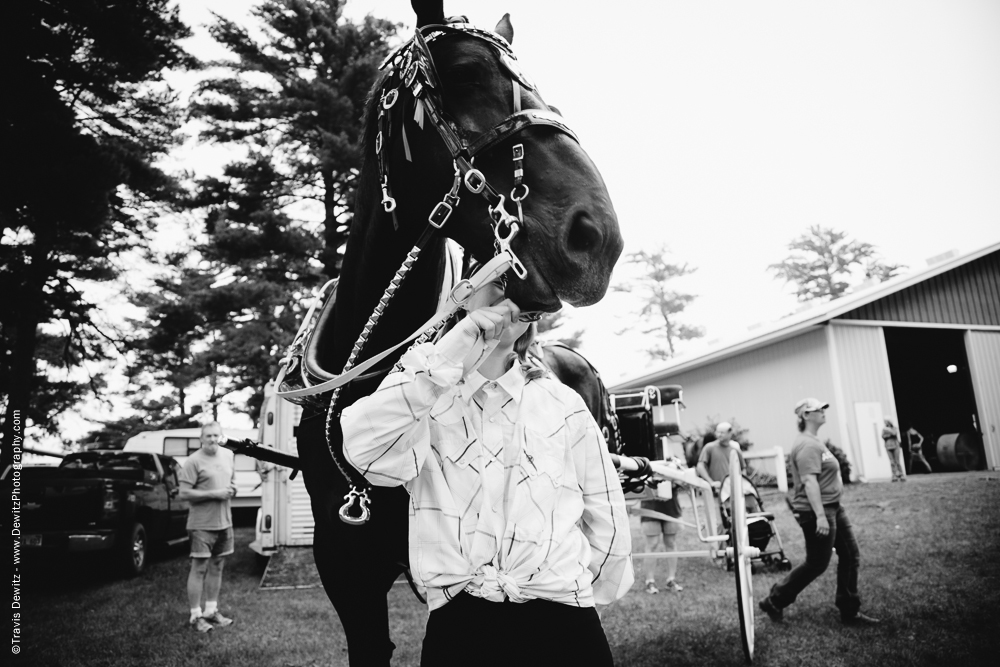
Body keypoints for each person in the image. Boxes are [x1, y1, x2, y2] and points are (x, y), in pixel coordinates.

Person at [341, 281, 633, 667]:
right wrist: (451, 350)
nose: (507, 294)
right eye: (496, 281)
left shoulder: (564, 403)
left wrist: (567, 591)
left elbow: (606, 513)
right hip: (461, 628)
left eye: (519, 288)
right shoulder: (425, 400)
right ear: (463, 297)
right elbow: (363, 449)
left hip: (563, 621)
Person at [758, 398, 879, 626]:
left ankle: (849, 610)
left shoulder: (814, 441)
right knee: (817, 563)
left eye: (824, 408)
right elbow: (809, 482)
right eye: (818, 409)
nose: (824, 412)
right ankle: (774, 600)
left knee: (850, 554)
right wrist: (821, 516)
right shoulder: (806, 445)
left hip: (832, 507)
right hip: (818, 512)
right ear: (805, 415)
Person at [178, 421, 237, 633]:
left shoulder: (228, 456)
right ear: (201, 439)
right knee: (200, 567)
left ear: (221, 437)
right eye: (208, 436)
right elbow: (183, 493)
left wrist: (232, 490)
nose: (212, 439)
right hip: (201, 524)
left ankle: (211, 611)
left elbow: (231, 483)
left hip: (224, 521)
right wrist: (214, 494)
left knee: (218, 566)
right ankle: (195, 615)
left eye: (216, 435)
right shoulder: (193, 461)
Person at [640, 484, 683, 594]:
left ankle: (671, 580)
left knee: (671, 543)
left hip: (671, 507)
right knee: (652, 544)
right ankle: (650, 581)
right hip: (650, 507)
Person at [696, 422, 746, 488]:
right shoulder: (709, 447)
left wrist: (741, 484)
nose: (719, 435)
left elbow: (743, 469)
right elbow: (700, 467)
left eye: (722, 433)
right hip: (717, 491)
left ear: (730, 433)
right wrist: (711, 482)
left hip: (732, 490)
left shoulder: (735, 450)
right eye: (718, 432)